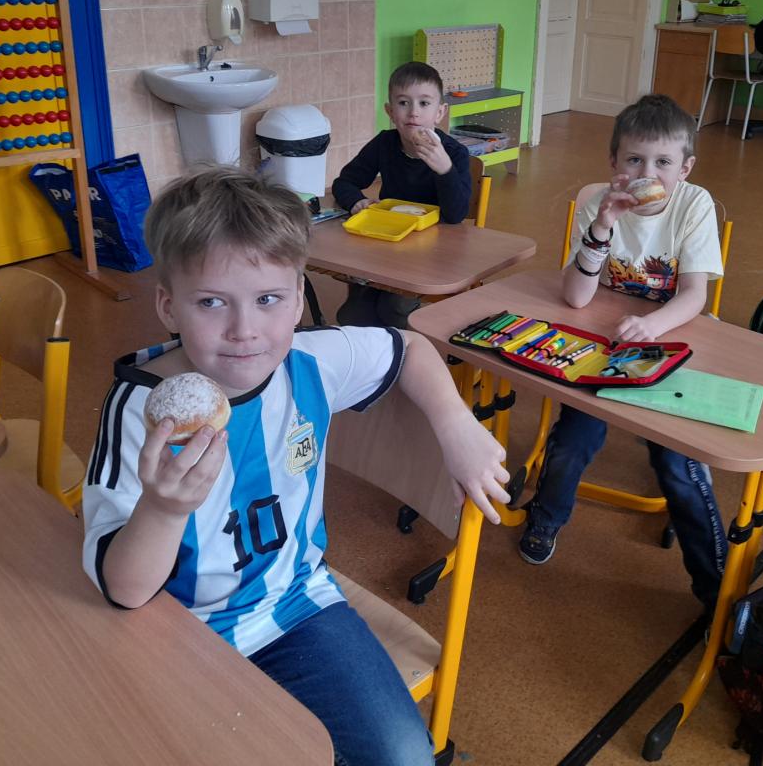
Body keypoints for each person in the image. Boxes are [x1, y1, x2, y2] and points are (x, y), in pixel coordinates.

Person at [82, 165, 510, 765]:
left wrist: (458, 426)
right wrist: (164, 508)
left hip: (298, 606)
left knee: (402, 756)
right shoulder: (140, 411)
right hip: (172, 627)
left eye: (268, 299)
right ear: (169, 307)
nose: (245, 331)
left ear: (298, 295)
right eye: (211, 302)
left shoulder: (312, 361)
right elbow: (126, 591)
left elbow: (409, 346)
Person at [519, 94, 728, 611]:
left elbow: (694, 297)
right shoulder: (598, 201)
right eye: (634, 159)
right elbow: (576, 298)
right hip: (606, 340)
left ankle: (715, 588)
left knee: (677, 459)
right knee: (575, 435)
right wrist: (602, 226)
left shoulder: (693, 204)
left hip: (669, 336)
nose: (646, 173)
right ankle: (546, 515)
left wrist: (650, 325)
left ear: (685, 168)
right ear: (614, 161)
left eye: (662, 162)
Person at [331, 61, 472, 327]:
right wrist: (356, 201)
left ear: (439, 112)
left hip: (435, 252)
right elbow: (344, 182)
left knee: (394, 307)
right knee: (352, 315)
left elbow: (456, 215)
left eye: (424, 103)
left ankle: (408, 349)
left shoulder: (454, 154)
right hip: (387, 245)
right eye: (403, 103)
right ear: (390, 111)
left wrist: (445, 169)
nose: (413, 112)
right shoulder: (385, 143)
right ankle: (380, 351)